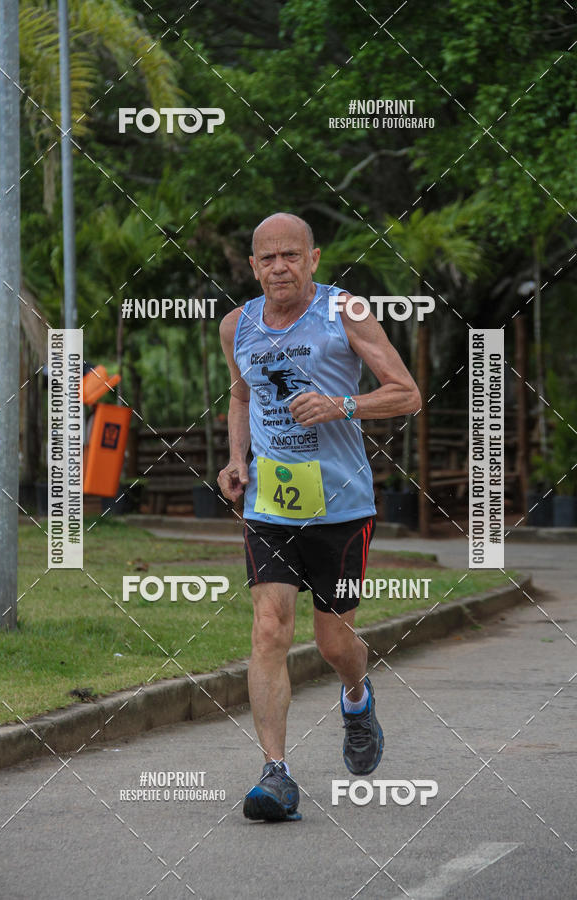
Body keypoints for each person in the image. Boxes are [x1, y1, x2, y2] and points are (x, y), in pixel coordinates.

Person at [217, 213, 421, 822]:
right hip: (271, 504)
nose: (279, 267)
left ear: (314, 259)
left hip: (343, 505)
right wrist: (236, 460)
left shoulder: (345, 313)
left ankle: (356, 698)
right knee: (269, 628)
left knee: (334, 642)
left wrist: (341, 405)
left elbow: (405, 392)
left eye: (291, 255)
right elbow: (241, 393)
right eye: (267, 258)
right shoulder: (237, 325)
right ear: (253, 267)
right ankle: (275, 774)